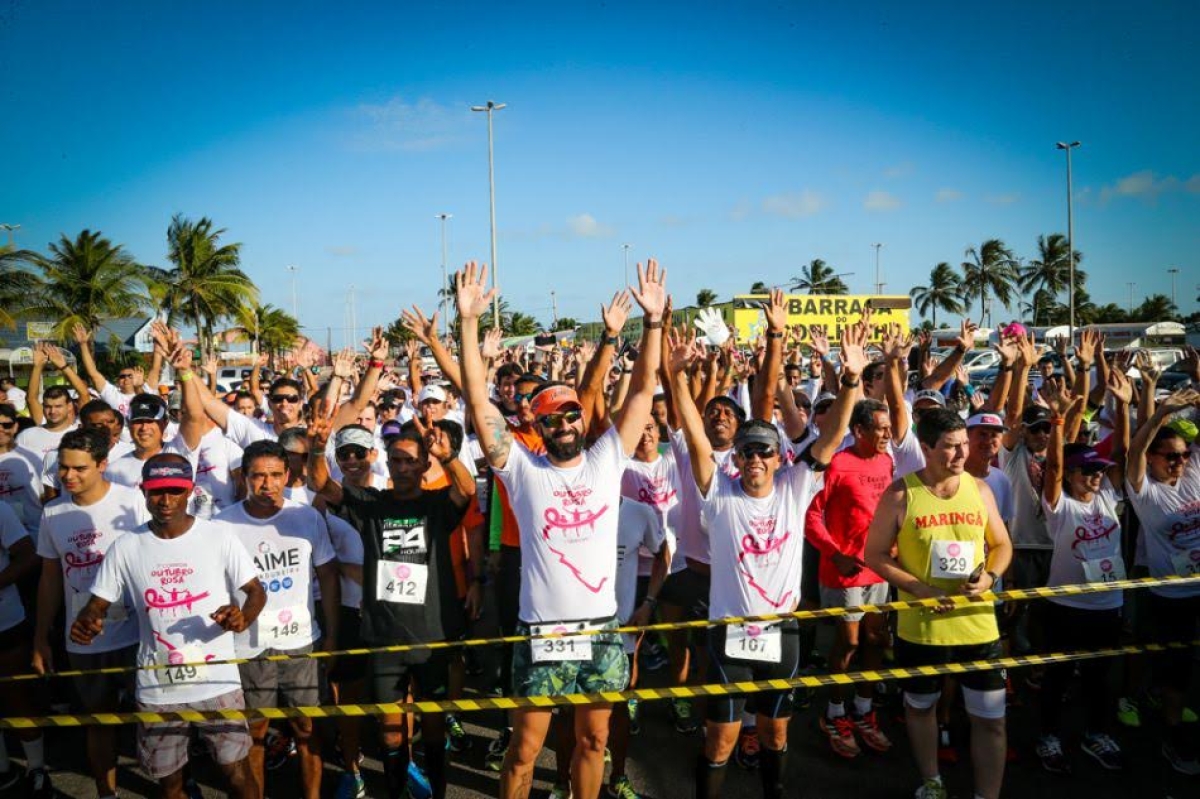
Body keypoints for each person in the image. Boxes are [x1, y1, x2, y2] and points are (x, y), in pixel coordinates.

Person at [457, 259, 665, 799]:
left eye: (572, 414)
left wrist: (654, 324)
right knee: (524, 752)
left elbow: (642, 392)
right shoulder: (522, 471)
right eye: (553, 418)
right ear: (539, 425)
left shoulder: (605, 460)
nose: (566, 424)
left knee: (593, 742)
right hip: (543, 632)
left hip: (599, 627)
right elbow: (479, 403)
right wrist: (468, 325)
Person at [673, 289, 864, 799]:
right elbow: (694, 436)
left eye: (764, 450)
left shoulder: (794, 488)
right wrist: (676, 376)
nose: (755, 458)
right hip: (729, 635)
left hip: (781, 633)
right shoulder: (721, 493)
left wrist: (849, 380)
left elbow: (832, 435)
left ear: (779, 458)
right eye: (746, 451)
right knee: (721, 741)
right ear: (734, 458)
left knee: (776, 733)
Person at [70, 454, 266, 799]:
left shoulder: (218, 536)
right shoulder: (126, 546)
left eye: (175, 490)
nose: (165, 500)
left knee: (237, 774)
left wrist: (242, 617)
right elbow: (97, 603)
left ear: (189, 490)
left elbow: (255, 592)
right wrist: (87, 621)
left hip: (217, 682)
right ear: (143, 491)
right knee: (170, 784)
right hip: (158, 688)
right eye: (156, 492)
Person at [308, 406, 475, 799]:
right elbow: (322, 484)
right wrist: (318, 450)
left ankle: (438, 791)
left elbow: (466, 490)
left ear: (422, 466)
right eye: (395, 460)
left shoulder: (436, 505)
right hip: (384, 636)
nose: (400, 468)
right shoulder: (371, 504)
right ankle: (397, 790)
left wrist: (448, 456)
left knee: (433, 726)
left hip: (434, 634)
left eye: (409, 461)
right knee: (390, 728)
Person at [865, 408, 1013, 799]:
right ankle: (931, 781)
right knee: (920, 708)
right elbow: (875, 554)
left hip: (978, 625)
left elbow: (1001, 545)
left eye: (964, 444)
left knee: (991, 720)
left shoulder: (980, 490)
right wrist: (919, 589)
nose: (963, 454)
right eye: (950, 447)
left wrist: (990, 578)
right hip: (922, 628)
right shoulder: (900, 493)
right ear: (926, 447)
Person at [215, 439, 340, 799]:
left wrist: (331, 637)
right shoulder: (222, 525)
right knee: (255, 732)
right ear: (244, 478)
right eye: (257, 476)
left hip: (301, 641)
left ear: (287, 475)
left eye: (274, 475)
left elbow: (328, 577)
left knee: (307, 728)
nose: (266, 484)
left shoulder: (306, 517)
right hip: (247, 647)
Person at [33, 427, 147, 799]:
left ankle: (174, 786)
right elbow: (51, 578)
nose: (68, 476)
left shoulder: (133, 502)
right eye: (64, 468)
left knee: (153, 721)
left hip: (138, 634)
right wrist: (41, 638)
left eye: (79, 468)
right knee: (98, 722)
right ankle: (106, 793)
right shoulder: (52, 512)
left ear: (102, 464)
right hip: (84, 641)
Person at [1034, 374, 1131, 773]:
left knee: (1098, 677)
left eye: (1098, 472)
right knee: (1056, 677)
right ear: (1071, 475)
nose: (1095, 477)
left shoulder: (1108, 495)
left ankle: (1095, 733)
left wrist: (1124, 407)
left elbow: (1123, 455)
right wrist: (1058, 421)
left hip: (1108, 602)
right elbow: (1054, 466)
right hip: (1065, 603)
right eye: (1087, 472)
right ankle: (1048, 736)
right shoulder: (1060, 506)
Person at [805, 398, 894, 759]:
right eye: (881, 427)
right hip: (845, 573)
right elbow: (810, 517)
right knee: (850, 643)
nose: (888, 433)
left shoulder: (889, 462)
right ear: (858, 431)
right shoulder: (837, 464)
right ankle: (835, 713)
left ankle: (863, 709)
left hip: (879, 569)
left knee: (875, 640)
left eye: (889, 427)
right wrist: (835, 554)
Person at [1124, 386, 1200, 775]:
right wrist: (1156, 416)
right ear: (1153, 459)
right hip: (1171, 594)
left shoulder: (1191, 474)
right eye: (1170, 457)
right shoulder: (1145, 493)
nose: (1180, 463)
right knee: (1175, 668)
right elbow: (1133, 452)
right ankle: (1172, 735)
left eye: (1185, 456)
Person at [0, 498, 49, 797]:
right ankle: (2, 768)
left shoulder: (1, 508)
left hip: (5, 622)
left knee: (15, 694)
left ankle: (37, 768)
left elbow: (28, 555)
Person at [0, 403, 42, 534]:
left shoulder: (33, 456)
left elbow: (47, 496)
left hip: (34, 532)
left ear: (15, 426)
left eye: (6, 425)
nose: (1, 430)